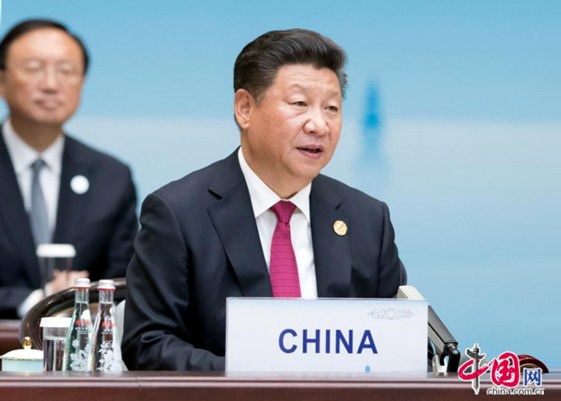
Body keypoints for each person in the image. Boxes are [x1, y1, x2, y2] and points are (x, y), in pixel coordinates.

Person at [122, 28, 406, 371]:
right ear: (245, 108)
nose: (319, 125)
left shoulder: (367, 219)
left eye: (332, 108)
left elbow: (400, 343)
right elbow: (148, 343)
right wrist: (255, 377)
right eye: (299, 104)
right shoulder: (179, 214)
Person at [0, 19, 137, 319]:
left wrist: (85, 296)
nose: (51, 84)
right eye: (34, 68)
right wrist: (36, 301)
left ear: (82, 82)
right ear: (2, 80)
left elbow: (125, 280)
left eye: (66, 70)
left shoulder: (111, 178)